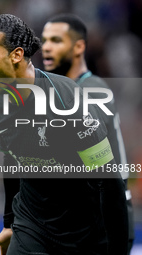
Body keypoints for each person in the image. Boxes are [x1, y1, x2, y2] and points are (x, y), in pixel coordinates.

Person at [0, 14, 128, 255]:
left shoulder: (68, 101)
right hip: (31, 227)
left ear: (16, 55)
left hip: (84, 234)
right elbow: (12, 159)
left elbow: (109, 181)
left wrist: (116, 250)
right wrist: (9, 223)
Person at [41, 13, 134, 253]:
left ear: (79, 46)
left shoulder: (92, 91)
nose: (46, 48)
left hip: (103, 223)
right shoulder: (72, 91)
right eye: (45, 40)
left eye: (56, 40)